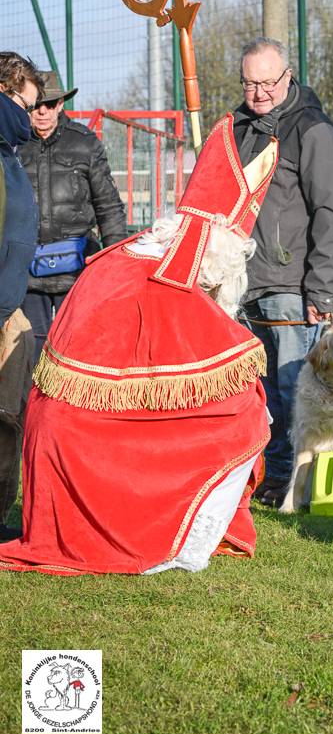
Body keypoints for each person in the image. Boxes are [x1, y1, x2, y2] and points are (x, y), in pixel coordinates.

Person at [0, 115, 279, 575]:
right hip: (87, 437)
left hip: (62, 432)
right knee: (247, 415)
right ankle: (174, 530)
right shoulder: (170, 279)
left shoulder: (129, 256)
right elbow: (220, 362)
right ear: (218, 254)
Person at [233, 37, 333, 506]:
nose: (258, 92)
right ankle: (272, 475)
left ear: (287, 77)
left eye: (267, 82)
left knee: (294, 390)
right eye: (249, 83)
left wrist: (319, 290)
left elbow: (332, 214)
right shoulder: (240, 127)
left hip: (292, 285)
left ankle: (298, 482)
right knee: (258, 394)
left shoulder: (314, 131)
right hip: (244, 282)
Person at [20, 71, 127, 365]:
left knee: (79, 347)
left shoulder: (84, 143)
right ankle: (31, 411)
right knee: (29, 351)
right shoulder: (12, 146)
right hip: (27, 271)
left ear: (61, 105)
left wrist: (115, 261)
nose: (42, 111)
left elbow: (108, 206)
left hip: (78, 268)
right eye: (35, 105)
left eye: (50, 104)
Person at [0, 53, 42, 541]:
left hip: (10, 304)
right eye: (26, 107)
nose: (32, 120)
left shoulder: (9, 150)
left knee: (8, 415)